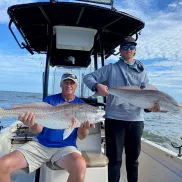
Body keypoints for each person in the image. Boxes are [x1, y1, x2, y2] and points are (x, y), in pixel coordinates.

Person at [83, 36, 159, 182]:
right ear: (120, 50)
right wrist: (97, 86)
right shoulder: (111, 69)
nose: (128, 50)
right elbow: (88, 77)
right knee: (115, 160)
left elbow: (146, 95)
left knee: (133, 161)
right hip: (115, 120)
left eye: (131, 47)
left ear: (135, 50)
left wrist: (150, 108)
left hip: (136, 120)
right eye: (125, 47)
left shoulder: (142, 71)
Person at [0, 72, 95, 182]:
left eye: (72, 83)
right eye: (66, 82)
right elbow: (38, 129)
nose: (69, 85)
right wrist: (32, 123)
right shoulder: (49, 100)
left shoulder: (81, 105)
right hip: (41, 145)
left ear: (76, 86)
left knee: (80, 165)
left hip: (66, 148)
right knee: (2, 165)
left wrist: (84, 128)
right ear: (61, 84)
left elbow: (82, 136)